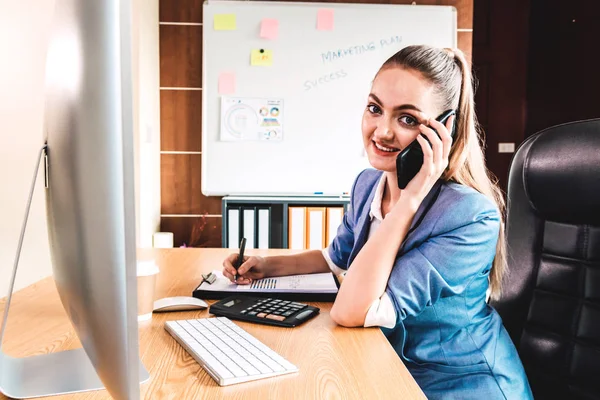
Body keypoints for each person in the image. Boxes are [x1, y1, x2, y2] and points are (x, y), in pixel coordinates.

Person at [222, 45, 533, 399]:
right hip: (384, 365)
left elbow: (356, 309)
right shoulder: (367, 184)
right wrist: (266, 265)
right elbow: (337, 258)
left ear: (444, 130)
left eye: (407, 119)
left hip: (456, 382)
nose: (382, 132)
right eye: (375, 109)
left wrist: (410, 197)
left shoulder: (469, 216)